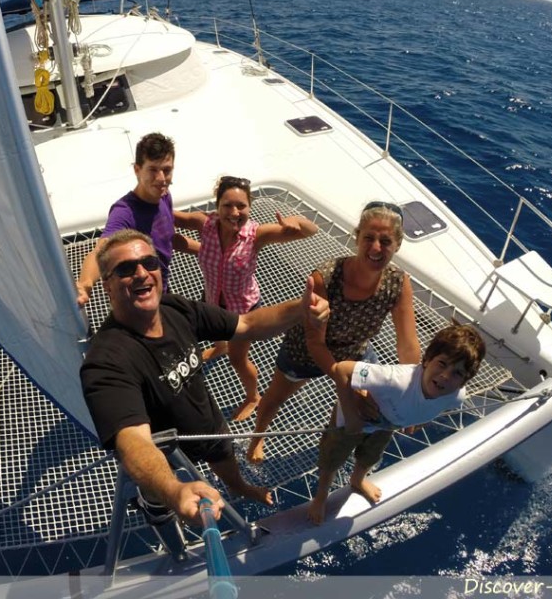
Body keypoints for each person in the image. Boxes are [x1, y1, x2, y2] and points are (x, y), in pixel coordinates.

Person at [79, 229, 329, 522]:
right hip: (165, 455)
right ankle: (161, 506)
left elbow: (247, 324)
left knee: (226, 463)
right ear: (107, 286)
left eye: (150, 263)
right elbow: (133, 441)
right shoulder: (106, 361)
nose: (141, 273)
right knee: (159, 499)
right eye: (125, 268)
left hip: (206, 424)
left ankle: (239, 487)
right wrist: (174, 491)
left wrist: (301, 309)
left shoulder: (173, 308)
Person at [247, 201, 420, 463]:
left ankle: (337, 446)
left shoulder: (399, 282)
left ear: (397, 244)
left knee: (372, 403)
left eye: (385, 241)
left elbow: (407, 345)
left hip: (354, 350)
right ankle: (256, 440)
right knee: (274, 398)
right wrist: (346, 386)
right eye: (369, 238)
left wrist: (413, 395)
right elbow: (315, 344)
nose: (375, 248)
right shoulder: (326, 278)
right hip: (306, 350)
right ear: (357, 237)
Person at [307, 323, 485, 524]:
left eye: (457, 373)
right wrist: (351, 417)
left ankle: (356, 480)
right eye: (442, 364)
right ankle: (321, 497)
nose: (445, 376)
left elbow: (431, 408)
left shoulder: (455, 396)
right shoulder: (395, 380)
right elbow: (342, 370)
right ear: (426, 360)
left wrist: (416, 422)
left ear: (464, 381)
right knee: (332, 460)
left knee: (370, 456)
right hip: (354, 419)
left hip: (387, 424)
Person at [174, 175, 319, 421]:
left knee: (238, 360)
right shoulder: (205, 225)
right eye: (227, 205)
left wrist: (296, 222)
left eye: (241, 206)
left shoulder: (256, 235)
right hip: (211, 299)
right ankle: (219, 347)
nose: (234, 212)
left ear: (249, 207)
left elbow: (311, 231)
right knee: (216, 336)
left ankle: (253, 396)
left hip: (242, 311)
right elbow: (170, 213)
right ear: (217, 206)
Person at [76, 132, 195, 308]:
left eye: (167, 170)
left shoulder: (163, 196)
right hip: (138, 301)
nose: (161, 178)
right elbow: (100, 251)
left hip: (161, 291)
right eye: (153, 170)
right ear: (137, 170)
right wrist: (86, 284)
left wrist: (209, 250)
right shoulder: (124, 213)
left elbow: (167, 237)